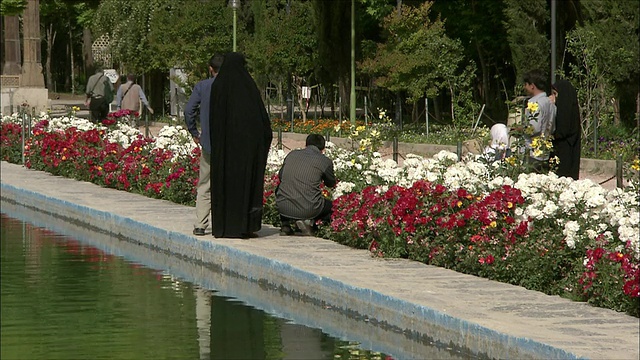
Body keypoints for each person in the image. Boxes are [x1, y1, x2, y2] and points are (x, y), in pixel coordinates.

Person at [208, 52, 273, 239]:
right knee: (246, 186)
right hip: (247, 154)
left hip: (225, 152)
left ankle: (224, 227)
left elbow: (214, 121)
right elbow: (264, 125)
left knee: (226, 186)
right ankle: (246, 226)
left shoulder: (219, 86)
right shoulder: (249, 88)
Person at [184, 54, 224, 236]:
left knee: (205, 184)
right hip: (228, 145)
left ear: (210, 68)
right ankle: (224, 223)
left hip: (208, 142)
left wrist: (195, 133)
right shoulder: (233, 88)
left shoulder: (203, 86)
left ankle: (201, 224)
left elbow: (188, 110)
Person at [276, 134, 336, 236]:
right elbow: (331, 183)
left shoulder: (292, 154)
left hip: (283, 207)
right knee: (332, 208)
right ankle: (310, 224)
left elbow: (281, 177)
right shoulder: (324, 161)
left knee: (280, 189)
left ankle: (285, 224)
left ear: (306, 144)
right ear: (323, 148)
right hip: (310, 208)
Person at [523, 69, 556, 172]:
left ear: (532, 85)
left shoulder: (534, 103)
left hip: (533, 152)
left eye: (526, 85)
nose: (525, 87)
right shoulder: (550, 102)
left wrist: (519, 129)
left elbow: (534, 128)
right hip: (545, 151)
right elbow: (553, 127)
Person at [549, 79, 581, 180]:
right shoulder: (569, 106)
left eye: (555, 94)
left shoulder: (565, 109)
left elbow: (562, 130)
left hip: (565, 150)